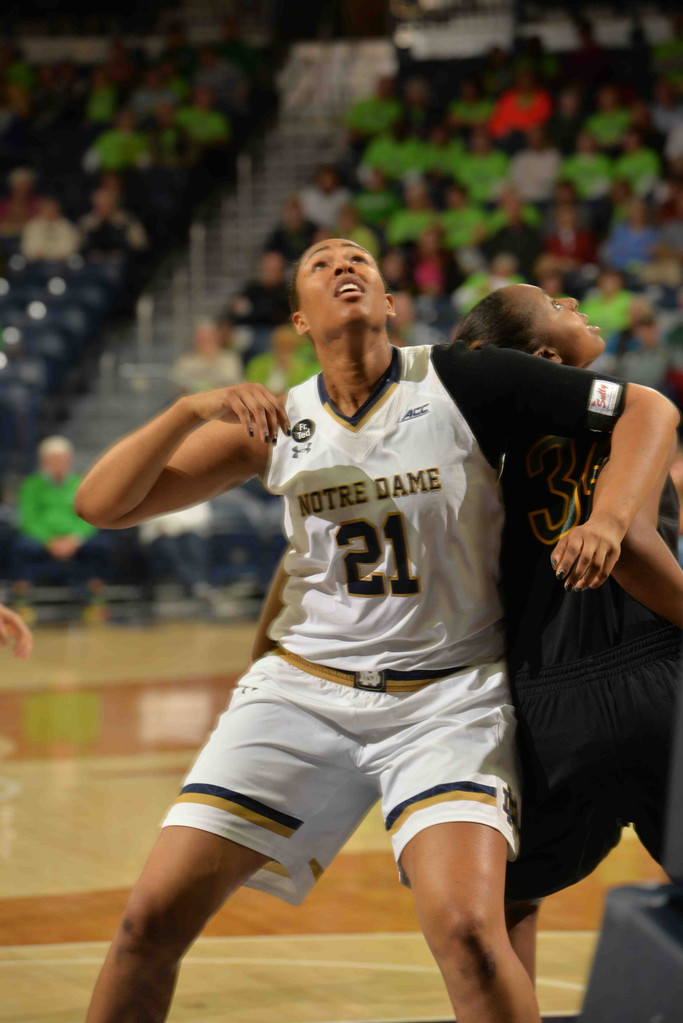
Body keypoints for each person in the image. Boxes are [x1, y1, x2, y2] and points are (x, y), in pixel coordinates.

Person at [76, 238, 677, 1023]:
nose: (342, 266)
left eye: (358, 259)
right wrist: (190, 409)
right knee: (147, 920)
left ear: (390, 303)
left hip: (447, 699)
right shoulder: (281, 420)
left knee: (470, 931)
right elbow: (103, 504)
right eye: (320, 264)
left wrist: (609, 518)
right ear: (298, 318)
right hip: (306, 693)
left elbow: (643, 407)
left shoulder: (462, 377)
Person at [455, 283, 682, 980]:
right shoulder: (624, 416)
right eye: (556, 305)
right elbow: (634, 549)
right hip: (650, 671)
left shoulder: (478, 451)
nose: (574, 301)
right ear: (547, 357)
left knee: (507, 898)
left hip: (543, 700)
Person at [12, 436, 112, 623]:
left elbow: (89, 516)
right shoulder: (31, 485)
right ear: (43, 461)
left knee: (101, 545)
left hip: (75, 539)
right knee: (22, 546)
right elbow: (28, 519)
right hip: (42, 539)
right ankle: (22, 601)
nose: (58, 464)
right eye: (53, 459)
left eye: (62, 459)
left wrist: (75, 539)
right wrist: (49, 540)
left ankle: (95, 600)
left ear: (69, 461)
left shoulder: (80, 483)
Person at [21, 197, 81, 262]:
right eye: (47, 209)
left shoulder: (66, 226)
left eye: (52, 209)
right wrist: (46, 254)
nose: (50, 212)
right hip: (37, 263)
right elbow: (29, 249)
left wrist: (53, 254)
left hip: (62, 263)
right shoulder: (32, 226)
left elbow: (69, 248)